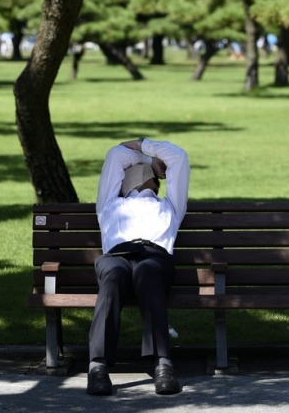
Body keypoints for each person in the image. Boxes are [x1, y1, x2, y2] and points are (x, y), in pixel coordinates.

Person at [87, 137, 190, 396]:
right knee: (112, 275)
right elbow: (115, 154)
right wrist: (148, 158)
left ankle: (163, 364)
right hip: (117, 258)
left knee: (146, 271)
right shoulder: (109, 203)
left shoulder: (170, 205)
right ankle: (97, 366)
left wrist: (143, 146)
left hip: (153, 258)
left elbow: (179, 157)